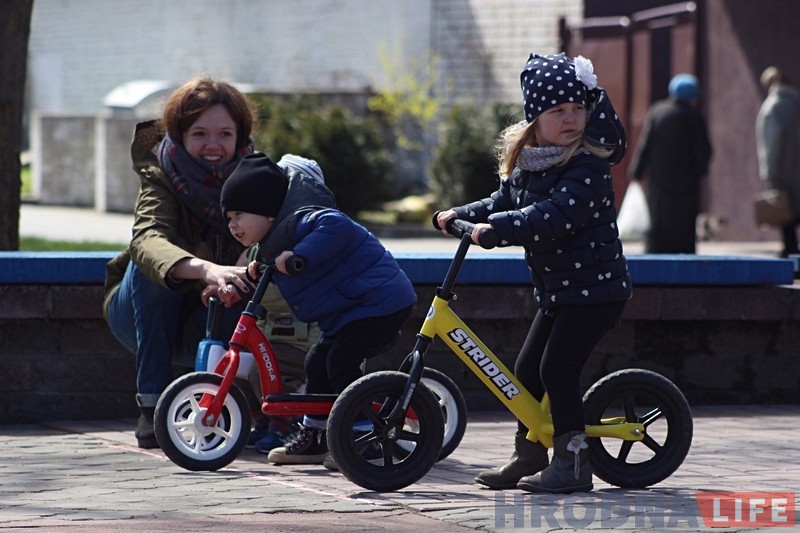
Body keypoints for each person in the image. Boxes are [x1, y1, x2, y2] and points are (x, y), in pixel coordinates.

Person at [436, 52, 631, 494]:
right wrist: (458, 215)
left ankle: (574, 462)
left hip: (596, 292)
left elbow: (556, 215)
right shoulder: (531, 165)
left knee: (556, 369)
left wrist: (496, 231)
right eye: (557, 111)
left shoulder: (587, 166)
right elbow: (498, 202)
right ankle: (529, 453)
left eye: (577, 108)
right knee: (526, 371)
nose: (570, 119)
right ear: (534, 120)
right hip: (560, 291)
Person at [102, 78, 301, 450]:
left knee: (250, 286)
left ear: (240, 136)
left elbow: (299, 218)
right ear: (180, 134)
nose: (214, 145)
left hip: (214, 311)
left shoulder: (260, 177)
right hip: (144, 316)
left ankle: (240, 407)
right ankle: (152, 407)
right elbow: (148, 240)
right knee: (147, 272)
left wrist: (254, 254)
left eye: (225, 133)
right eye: (200, 133)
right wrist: (205, 268)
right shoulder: (159, 176)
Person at [218, 153, 418, 465]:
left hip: (379, 302)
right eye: (229, 217)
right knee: (316, 363)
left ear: (268, 213)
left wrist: (301, 255)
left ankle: (362, 437)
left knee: (340, 363)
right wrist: (256, 270)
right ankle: (315, 436)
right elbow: (279, 263)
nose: (232, 225)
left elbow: (336, 227)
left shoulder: (309, 220)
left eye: (239, 214)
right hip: (349, 312)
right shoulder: (273, 244)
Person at [629, 73, 713, 254]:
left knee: (660, 218)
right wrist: (701, 170)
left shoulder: (657, 111)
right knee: (684, 220)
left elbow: (645, 143)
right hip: (687, 181)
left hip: (659, 179)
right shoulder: (694, 116)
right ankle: (684, 254)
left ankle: (656, 251)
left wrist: (637, 171)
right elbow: (703, 149)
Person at [755, 66, 800, 257]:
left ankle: (789, 247)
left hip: (782, 169)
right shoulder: (796, 102)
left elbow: (771, 142)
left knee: (784, 209)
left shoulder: (773, 106)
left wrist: (769, 171)